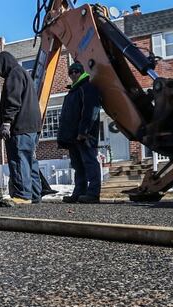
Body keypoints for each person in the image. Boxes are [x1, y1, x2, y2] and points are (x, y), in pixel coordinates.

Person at [0, 51, 43, 204]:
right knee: (30, 161)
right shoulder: (24, 74)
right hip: (32, 127)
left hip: (20, 127)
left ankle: (22, 195)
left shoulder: (13, 74)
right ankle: (34, 194)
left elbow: (12, 101)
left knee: (19, 160)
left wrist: (6, 122)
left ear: (4, 63)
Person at [58, 62, 102, 204]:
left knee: (90, 163)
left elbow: (91, 110)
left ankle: (93, 193)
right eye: (70, 72)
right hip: (72, 137)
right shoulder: (73, 91)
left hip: (85, 135)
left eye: (75, 71)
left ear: (80, 72)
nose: (72, 74)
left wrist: (83, 131)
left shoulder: (87, 88)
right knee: (78, 166)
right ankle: (79, 192)